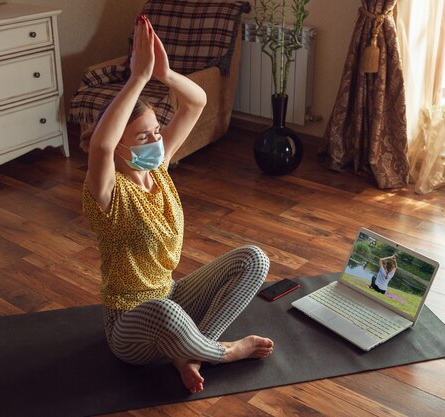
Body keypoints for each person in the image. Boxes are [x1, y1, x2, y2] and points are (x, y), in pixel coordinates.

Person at [81, 14, 274, 394]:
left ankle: (192, 353)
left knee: (254, 259)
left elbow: (196, 102)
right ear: (119, 147)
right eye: (142, 137)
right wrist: (137, 77)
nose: (155, 141)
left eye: (156, 132)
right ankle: (225, 351)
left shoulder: (160, 168)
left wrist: (165, 74)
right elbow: (100, 146)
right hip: (129, 325)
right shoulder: (108, 193)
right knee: (164, 311)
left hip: (170, 295)